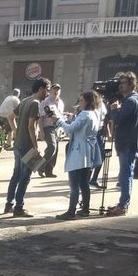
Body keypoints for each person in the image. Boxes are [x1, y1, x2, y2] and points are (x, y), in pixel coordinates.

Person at [51, 91, 103, 220]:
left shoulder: (85, 114)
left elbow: (70, 129)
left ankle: (71, 211)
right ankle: (85, 209)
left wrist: (58, 121)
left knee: (74, 184)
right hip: (88, 150)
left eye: (81, 100)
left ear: (87, 102)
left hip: (79, 150)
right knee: (84, 183)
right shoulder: (95, 114)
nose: (79, 103)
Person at [4, 78, 51, 218]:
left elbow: (10, 117)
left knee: (16, 175)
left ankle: (9, 205)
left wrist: (16, 132)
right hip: (27, 145)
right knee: (25, 177)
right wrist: (36, 147)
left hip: (19, 144)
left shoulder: (25, 101)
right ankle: (19, 207)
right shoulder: (35, 104)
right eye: (47, 90)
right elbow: (32, 127)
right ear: (41, 89)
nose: (47, 94)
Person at [106, 71, 138, 216]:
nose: (120, 86)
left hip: (128, 142)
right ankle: (123, 203)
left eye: (123, 83)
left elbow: (119, 120)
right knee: (126, 172)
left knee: (126, 174)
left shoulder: (130, 101)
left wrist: (114, 110)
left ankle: (123, 205)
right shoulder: (137, 98)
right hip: (131, 141)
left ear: (131, 84)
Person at [38, 83, 65, 177]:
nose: (56, 91)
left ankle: (49, 171)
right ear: (50, 91)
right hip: (47, 127)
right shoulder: (45, 102)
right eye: (54, 89)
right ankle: (40, 166)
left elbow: (61, 116)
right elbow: (40, 118)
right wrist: (41, 131)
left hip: (57, 128)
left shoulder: (61, 102)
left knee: (55, 149)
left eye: (58, 89)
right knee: (52, 147)